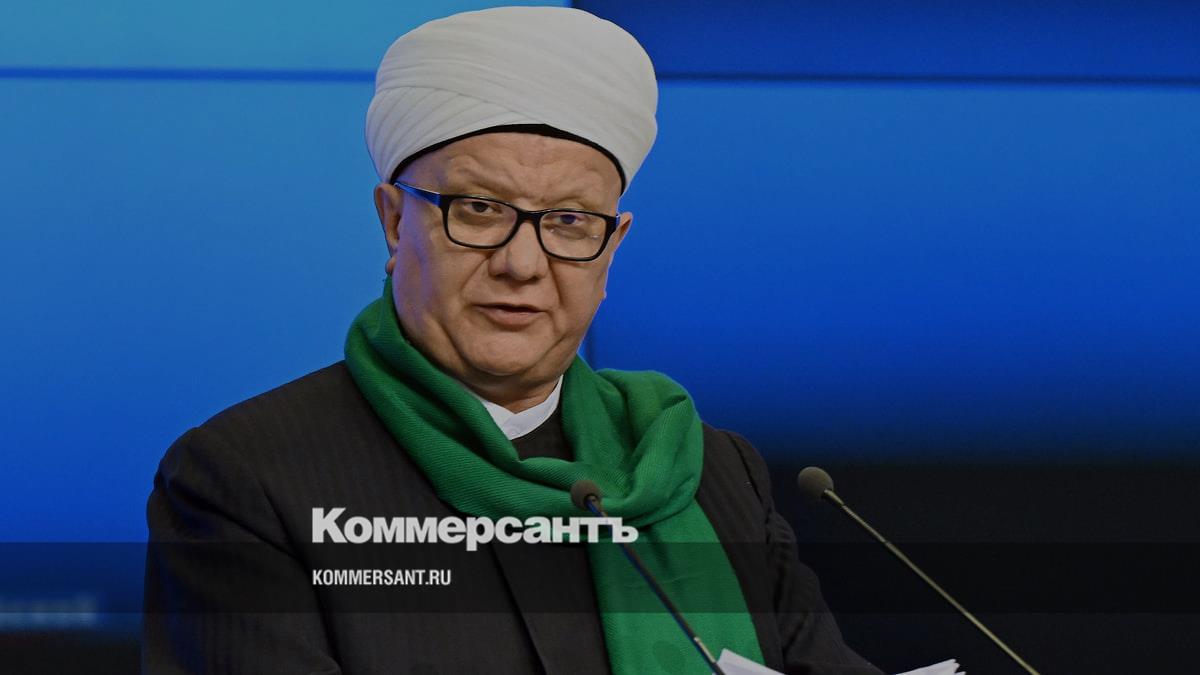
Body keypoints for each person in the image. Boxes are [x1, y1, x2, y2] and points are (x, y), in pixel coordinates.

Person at [143, 7, 883, 674]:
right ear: (395, 222)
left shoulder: (708, 469)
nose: (522, 264)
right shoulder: (248, 479)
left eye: (570, 221)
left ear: (612, 248)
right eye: (479, 208)